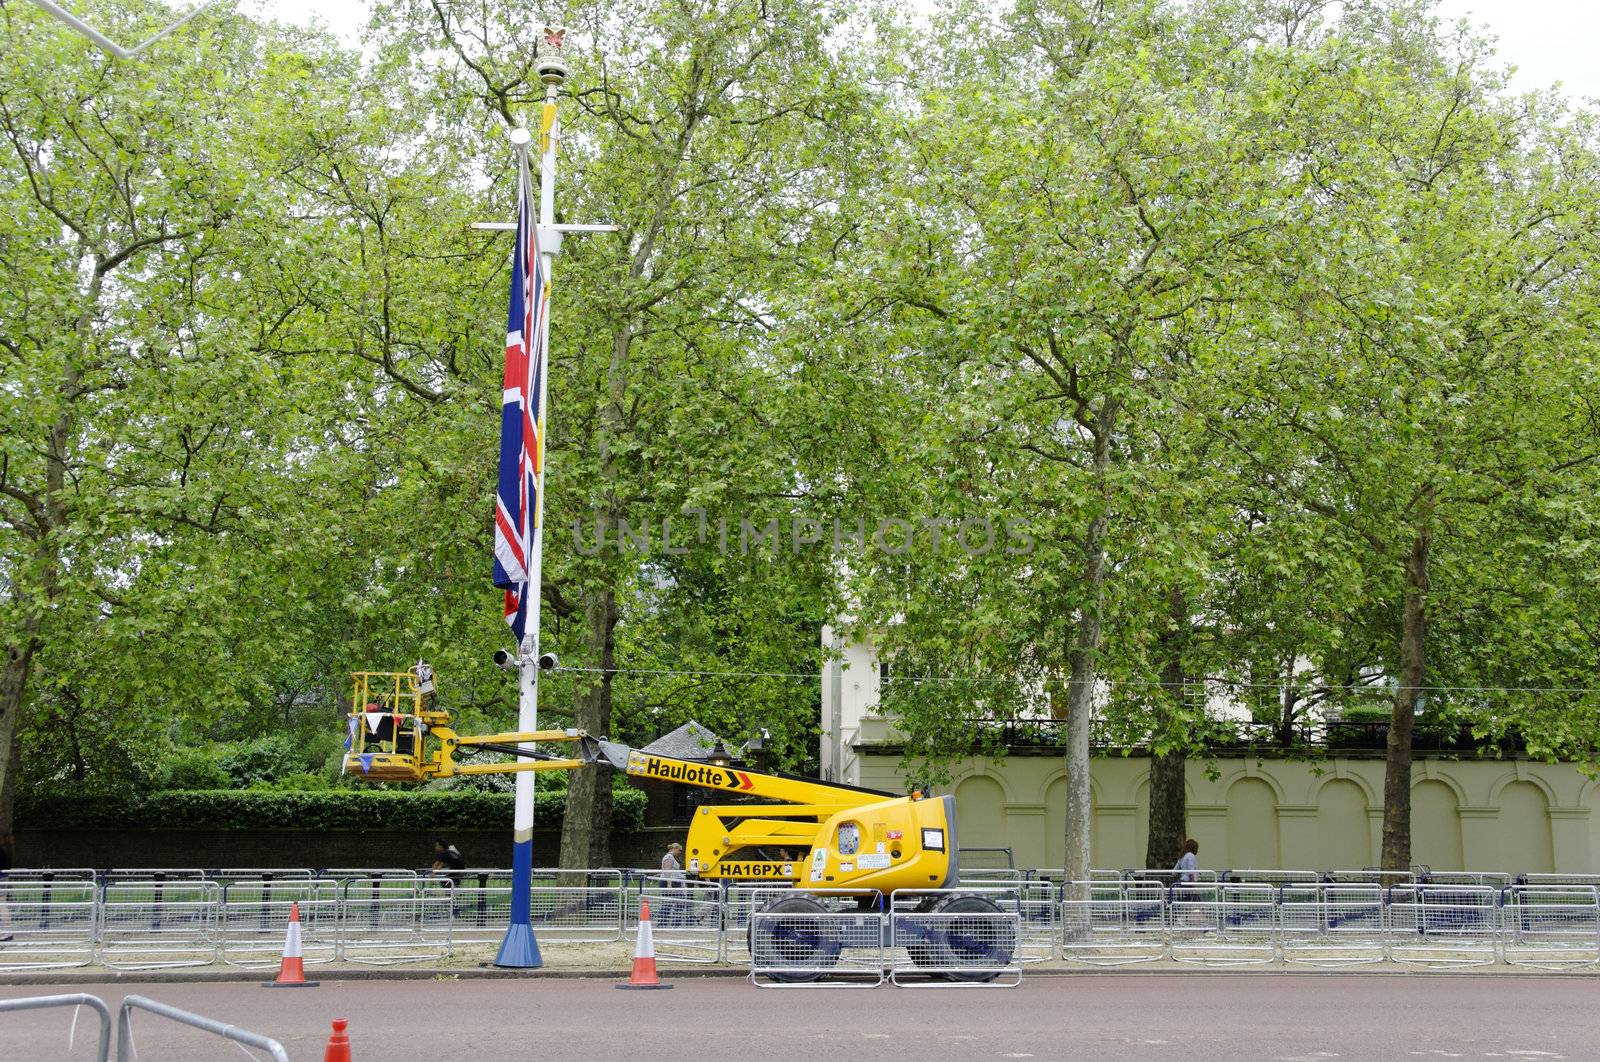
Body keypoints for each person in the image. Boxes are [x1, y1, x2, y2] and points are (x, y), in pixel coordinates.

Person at [659, 842, 685, 927]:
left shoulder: (671, 857)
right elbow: (668, 871)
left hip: (673, 882)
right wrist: (669, 884)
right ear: (675, 848)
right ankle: (670, 923)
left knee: (669, 903)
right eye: (679, 850)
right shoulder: (669, 857)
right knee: (676, 902)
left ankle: (666, 923)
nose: (680, 852)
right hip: (670, 883)